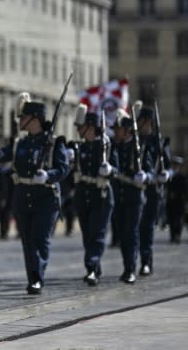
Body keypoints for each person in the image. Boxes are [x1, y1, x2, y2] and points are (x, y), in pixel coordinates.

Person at [0, 94, 69, 295]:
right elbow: (1, 154)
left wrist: (48, 175)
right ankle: (32, 277)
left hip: (46, 197)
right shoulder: (20, 143)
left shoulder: (55, 143)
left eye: (22, 117)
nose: (19, 121)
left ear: (34, 118)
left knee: (40, 239)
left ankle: (37, 278)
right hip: (23, 195)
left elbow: (63, 168)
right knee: (27, 240)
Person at [71, 104, 117, 286]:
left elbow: (117, 167)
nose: (78, 130)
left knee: (97, 234)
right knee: (87, 235)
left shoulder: (105, 146)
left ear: (90, 126)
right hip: (83, 194)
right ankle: (94, 268)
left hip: (101, 195)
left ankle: (91, 268)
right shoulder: (80, 148)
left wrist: (110, 169)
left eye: (80, 126)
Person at [109, 107, 153, 284]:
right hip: (118, 196)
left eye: (118, 129)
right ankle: (127, 266)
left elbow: (150, 172)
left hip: (134, 197)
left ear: (126, 130)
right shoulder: (114, 147)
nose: (116, 132)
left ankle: (130, 269)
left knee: (131, 233)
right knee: (121, 233)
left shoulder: (140, 148)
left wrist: (145, 176)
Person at [134, 102, 172, 276]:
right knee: (133, 228)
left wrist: (166, 174)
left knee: (147, 228)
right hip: (135, 190)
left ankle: (146, 261)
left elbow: (169, 167)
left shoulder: (159, 143)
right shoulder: (134, 140)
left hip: (152, 191)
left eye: (144, 121)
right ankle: (132, 262)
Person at [166, 156, 186, 243]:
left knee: (178, 219)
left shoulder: (182, 177)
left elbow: (185, 190)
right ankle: (172, 235)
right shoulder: (169, 175)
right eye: (174, 164)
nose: (175, 166)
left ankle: (177, 235)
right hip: (170, 200)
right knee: (170, 218)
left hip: (179, 201)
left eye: (177, 165)